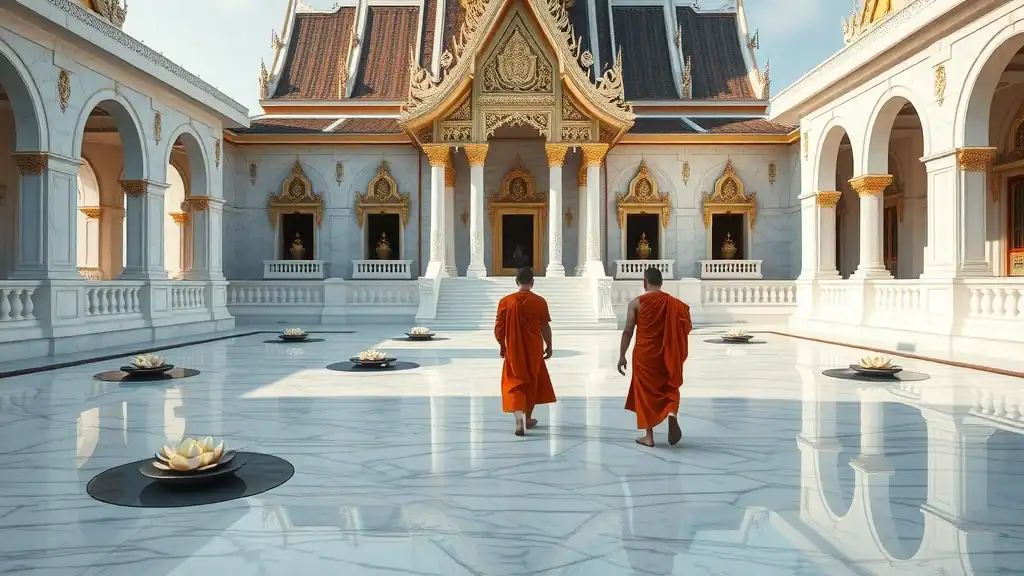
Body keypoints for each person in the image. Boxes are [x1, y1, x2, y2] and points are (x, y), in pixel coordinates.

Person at [617, 267, 693, 447]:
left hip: (644, 355)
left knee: (645, 393)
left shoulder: (636, 303)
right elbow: (686, 326)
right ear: (661, 283)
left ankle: (649, 436)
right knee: (670, 385)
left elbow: (628, 331)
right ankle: (672, 413)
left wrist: (621, 355)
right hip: (667, 353)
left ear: (644, 283)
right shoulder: (675, 303)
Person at [494, 267, 555, 436]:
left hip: (514, 349)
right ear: (533, 282)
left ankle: (519, 419)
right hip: (534, 348)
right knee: (531, 381)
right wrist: (549, 346)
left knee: (514, 382)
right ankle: (528, 417)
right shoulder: (540, 301)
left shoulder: (506, 301)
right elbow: (545, 326)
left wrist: (502, 346)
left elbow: (499, 329)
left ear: (516, 282)